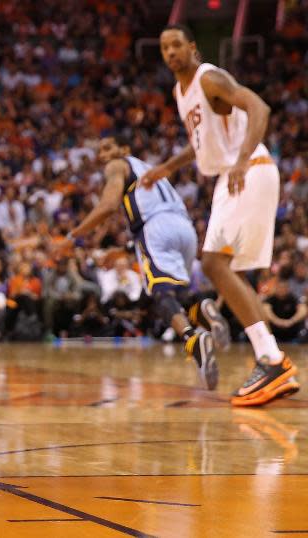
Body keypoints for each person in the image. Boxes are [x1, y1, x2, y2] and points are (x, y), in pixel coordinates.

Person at [143, 25, 299, 405]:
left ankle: (272, 358)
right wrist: (166, 167)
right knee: (222, 267)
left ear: (192, 47)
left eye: (177, 44)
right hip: (232, 175)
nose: (170, 52)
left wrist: (243, 160)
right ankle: (267, 356)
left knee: (214, 264)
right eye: (164, 47)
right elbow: (202, 146)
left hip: (249, 168)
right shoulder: (181, 93)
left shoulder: (209, 77)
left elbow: (259, 106)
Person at [54, 136, 222, 390]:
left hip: (155, 228)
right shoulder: (150, 170)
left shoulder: (117, 165)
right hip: (185, 229)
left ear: (124, 150)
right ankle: (203, 310)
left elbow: (109, 205)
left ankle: (193, 341)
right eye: (100, 151)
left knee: (160, 294)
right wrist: (123, 250)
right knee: (178, 293)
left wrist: (72, 236)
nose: (103, 155)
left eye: (108, 148)